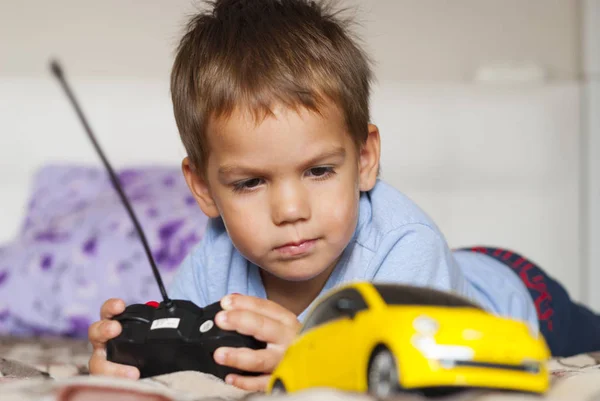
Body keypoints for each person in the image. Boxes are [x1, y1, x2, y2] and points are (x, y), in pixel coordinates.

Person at [87, 0, 600, 391]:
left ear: (365, 159)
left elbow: (422, 378)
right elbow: (190, 356)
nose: (290, 211)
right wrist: (130, 362)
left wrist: (309, 356)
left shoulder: (408, 248)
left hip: (521, 296)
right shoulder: (213, 258)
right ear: (203, 187)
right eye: (250, 182)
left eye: (318, 171)